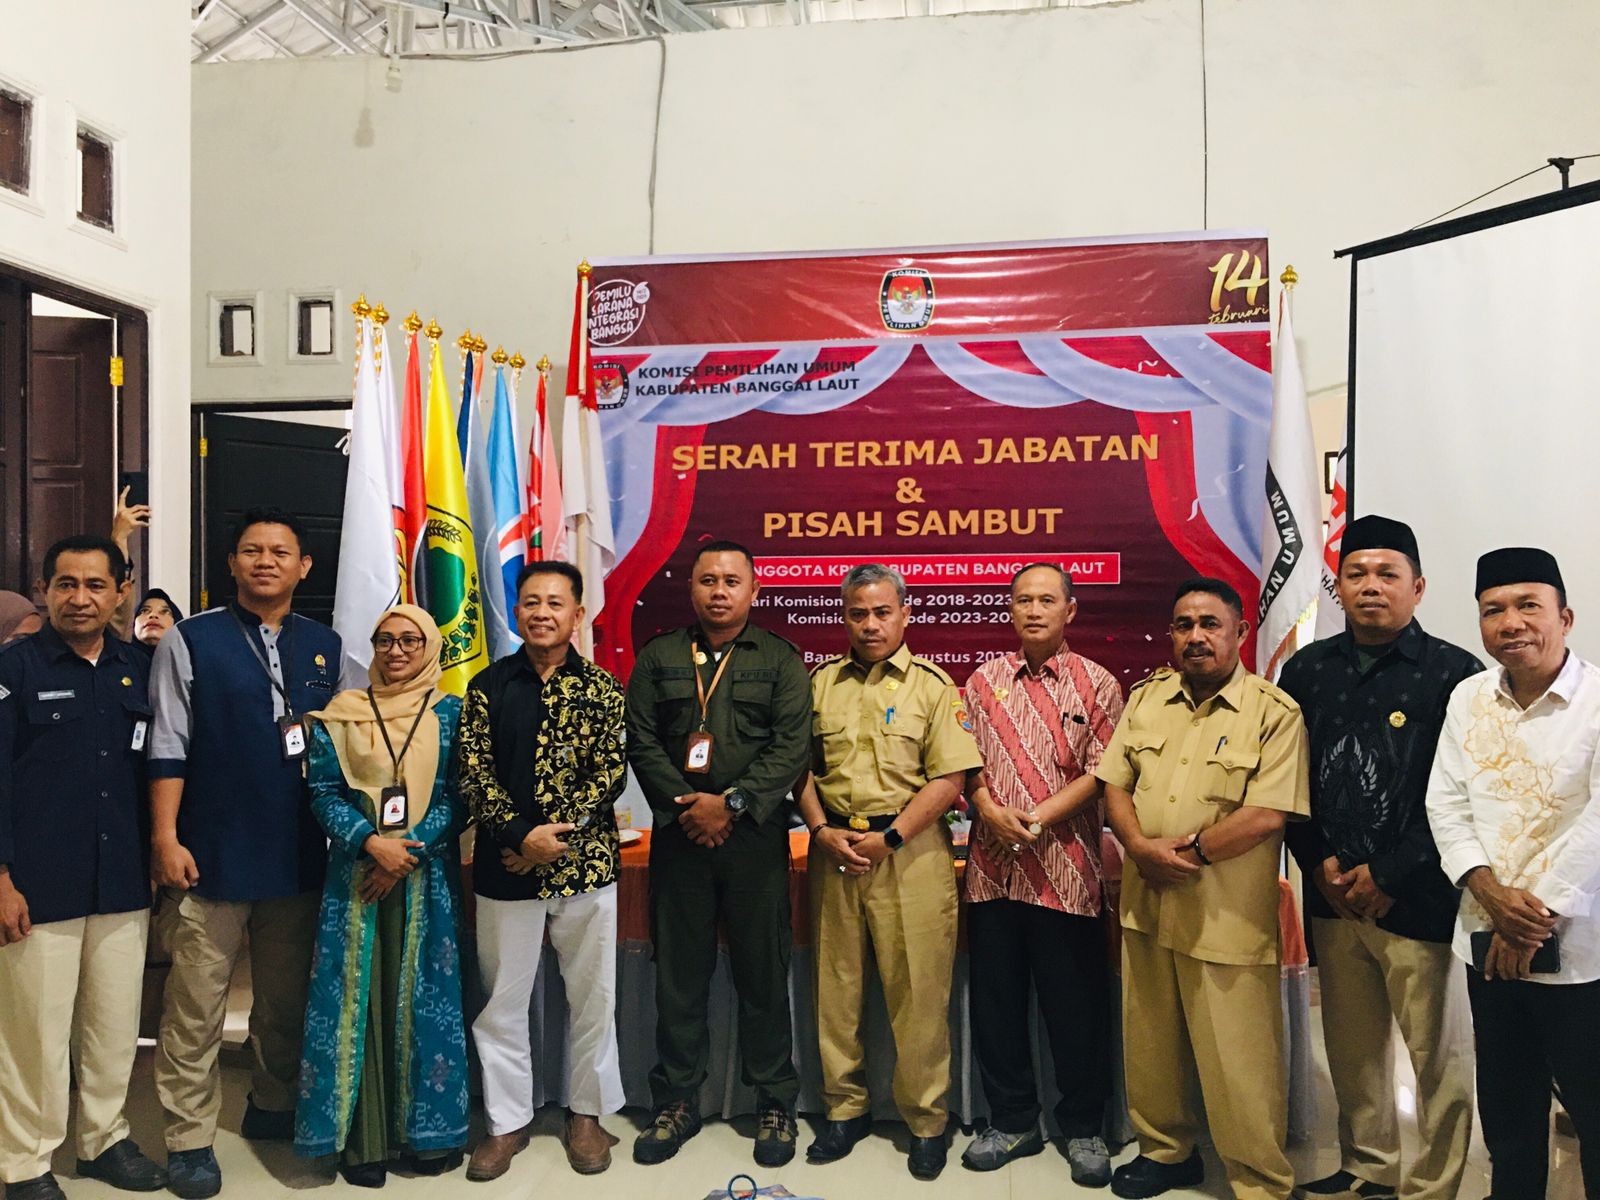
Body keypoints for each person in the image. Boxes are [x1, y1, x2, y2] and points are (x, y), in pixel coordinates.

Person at [1278, 517, 1481, 1200]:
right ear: (1337, 587)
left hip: (1418, 898)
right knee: (1352, 1043)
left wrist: (1390, 872)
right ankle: (1369, 1165)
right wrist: (1319, 865)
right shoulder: (1306, 670)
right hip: (1333, 895)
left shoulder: (1457, 675)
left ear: (1417, 587)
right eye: (1357, 573)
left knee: (1437, 1054)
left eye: (1387, 574)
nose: (1371, 586)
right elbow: (1287, 781)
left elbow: (1465, 793)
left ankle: (1436, 1181)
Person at [147, 507, 342, 1199]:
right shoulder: (191, 639)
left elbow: (343, 747)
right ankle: (188, 1139)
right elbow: (166, 744)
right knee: (195, 1009)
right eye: (252, 550)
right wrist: (165, 838)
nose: (265, 561)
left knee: (285, 1004)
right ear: (231, 563)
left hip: (297, 858)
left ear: (303, 566)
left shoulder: (326, 645)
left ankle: (273, 1104)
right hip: (210, 857)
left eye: (280, 552)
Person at [1095, 577, 1309, 1200]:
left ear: (1240, 632)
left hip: (1225, 916)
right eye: (1184, 625)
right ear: (1170, 635)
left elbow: (1267, 813)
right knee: (1151, 1043)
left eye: (1210, 624)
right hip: (1147, 902)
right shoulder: (1146, 700)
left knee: (1239, 1056)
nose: (1196, 636)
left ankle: (1259, 1179)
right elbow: (1115, 784)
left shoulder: (1274, 712)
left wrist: (1186, 853)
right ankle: (1167, 1153)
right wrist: (1139, 848)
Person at [624, 541, 812, 1168]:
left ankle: (775, 1101)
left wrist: (729, 805)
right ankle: (676, 1100)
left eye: (732, 581)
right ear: (692, 588)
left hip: (753, 839)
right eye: (708, 580)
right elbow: (641, 739)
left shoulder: (780, 659)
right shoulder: (660, 656)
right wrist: (690, 807)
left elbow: (792, 746)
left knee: (763, 972)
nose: (720, 591)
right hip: (680, 837)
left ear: (754, 590)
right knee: (679, 974)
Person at [796, 563, 983, 1182]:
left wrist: (891, 837)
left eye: (882, 612)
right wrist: (820, 830)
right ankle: (844, 1110)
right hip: (835, 851)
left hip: (910, 854)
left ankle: (927, 1120)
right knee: (836, 992)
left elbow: (950, 779)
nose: (871, 625)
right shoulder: (820, 684)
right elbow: (798, 769)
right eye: (858, 613)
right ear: (843, 617)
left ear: (905, 614)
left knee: (918, 995)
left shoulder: (933, 687)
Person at [1425, 547, 1600, 1200]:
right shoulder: (1468, 698)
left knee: (1591, 1104)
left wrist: (1531, 918)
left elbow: (1597, 823)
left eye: (1529, 605)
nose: (1511, 622)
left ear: (1565, 617)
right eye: (1493, 609)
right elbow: (1445, 802)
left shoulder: (1596, 700)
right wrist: (1489, 893)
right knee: (1508, 1107)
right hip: (1485, 938)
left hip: (1581, 950)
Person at [0, 537, 166, 1200]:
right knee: (35, 1035)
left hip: (121, 878)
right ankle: (26, 1163)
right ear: (44, 590)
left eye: (96, 585)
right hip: (38, 885)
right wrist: (1, 877)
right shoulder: (14, 669)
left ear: (120, 592)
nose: (80, 598)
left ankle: (103, 1140)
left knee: (114, 1025)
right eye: (66, 584)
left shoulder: (140, 668)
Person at [458, 561, 628, 1179]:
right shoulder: (487, 686)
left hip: (586, 867)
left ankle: (587, 1114)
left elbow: (610, 772)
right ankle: (507, 1121)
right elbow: (474, 772)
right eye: (531, 601)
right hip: (506, 869)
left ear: (577, 614)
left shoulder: (603, 690)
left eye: (556, 603)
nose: (542, 613)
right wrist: (519, 838)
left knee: (593, 997)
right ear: (517, 611)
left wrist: (556, 837)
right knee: (502, 1001)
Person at [294, 604, 468, 1186]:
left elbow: (460, 795)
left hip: (425, 879)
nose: (396, 651)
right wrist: (372, 844)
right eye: (385, 640)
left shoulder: (451, 713)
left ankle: (426, 1135)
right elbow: (322, 791)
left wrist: (405, 854)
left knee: (422, 1000)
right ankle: (363, 1143)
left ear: (430, 648)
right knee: (358, 1002)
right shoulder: (341, 714)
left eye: (410, 641)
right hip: (355, 877)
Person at [960, 563, 1123, 1186]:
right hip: (993, 871)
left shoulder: (1098, 683)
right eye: (1023, 600)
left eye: (1046, 600)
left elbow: (1104, 772)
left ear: (1069, 610)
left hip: (1066, 870)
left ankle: (1082, 1128)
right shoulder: (982, 681)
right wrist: (986, 808)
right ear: (1010, 609)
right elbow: (964, 763)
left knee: (1075, 1007)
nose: (1033, 610)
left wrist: (1037, 817)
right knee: (997, 1006)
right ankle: (1013, 1121)